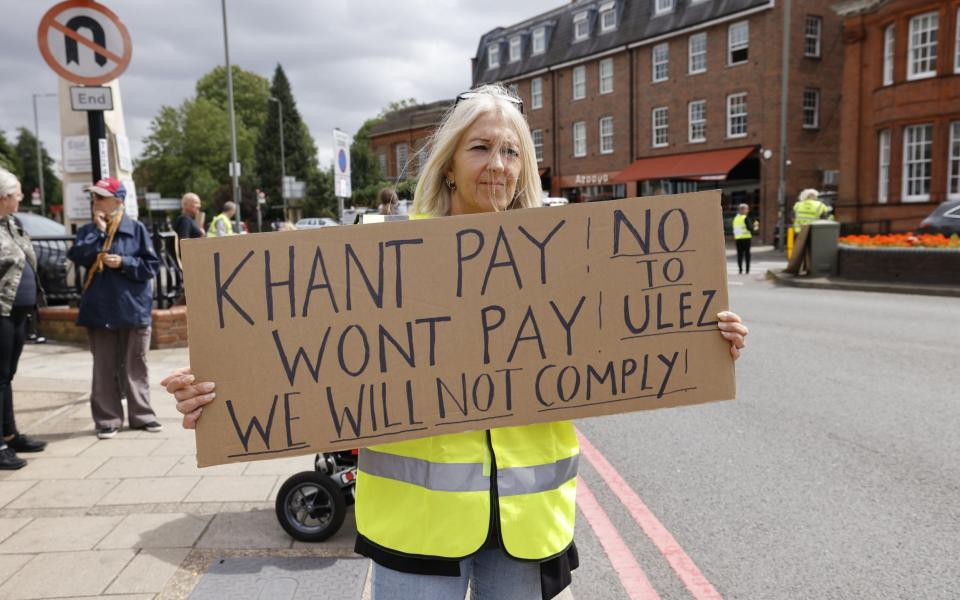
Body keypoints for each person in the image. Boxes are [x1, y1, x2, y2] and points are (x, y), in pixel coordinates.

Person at [163, 85, 750, 600]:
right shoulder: (379, 260)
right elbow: (302, 360)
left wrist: (703, 337)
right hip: (417, 528)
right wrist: (222, 392)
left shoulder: (567, 252)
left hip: (526, 524)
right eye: (480, 148)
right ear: (447, 164)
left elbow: (630, 336)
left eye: (511, 150)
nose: (497, 164)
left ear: (525, 166)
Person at [67, 177, 163, 439]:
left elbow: (151, 267)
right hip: (100, 310)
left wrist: (124, 262)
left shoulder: (137, 229)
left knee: (136, 364)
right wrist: (99, 233)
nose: (95, 202)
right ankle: (107, 420)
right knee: (104, 367)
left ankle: (142, 415)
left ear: (118, 200)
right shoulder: (89, 230)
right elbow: (77, 255)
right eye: (94, 197)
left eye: (100, 197)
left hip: (132, 308)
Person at [0, 168, 47, 469]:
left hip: (18, 312)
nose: (20, 197)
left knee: (6, 376)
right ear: (3, 197)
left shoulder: (11, 224)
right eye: (16, 193)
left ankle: (10, 433)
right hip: (1, 312)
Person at [732, 203, 758, 275]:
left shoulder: (735, 218)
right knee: (747, 255)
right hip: (746, 239)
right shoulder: (745, 218)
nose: (748, 210)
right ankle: (747, 270)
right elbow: (750, 228)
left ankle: (740, 270)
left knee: (739, 255)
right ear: (743, 210)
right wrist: (755, 227)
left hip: (738, 239)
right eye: (747, 209)